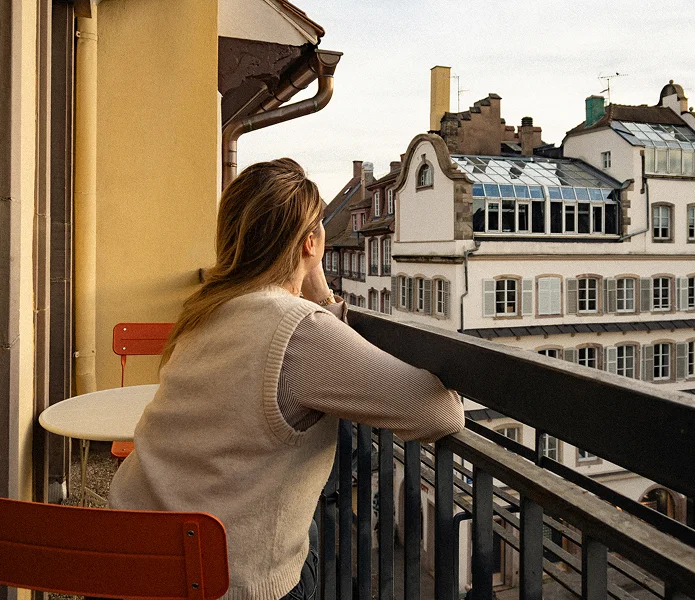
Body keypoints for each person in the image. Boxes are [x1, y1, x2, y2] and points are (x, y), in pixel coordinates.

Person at [108, 158, 464, 600]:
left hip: (126, 555)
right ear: (312, 244)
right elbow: (439, 413)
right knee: (312, 542)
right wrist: (317, 289)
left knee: (312, 531)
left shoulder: (206, 311)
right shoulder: (299, 330)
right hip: (218, 580)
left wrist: (312, 291)